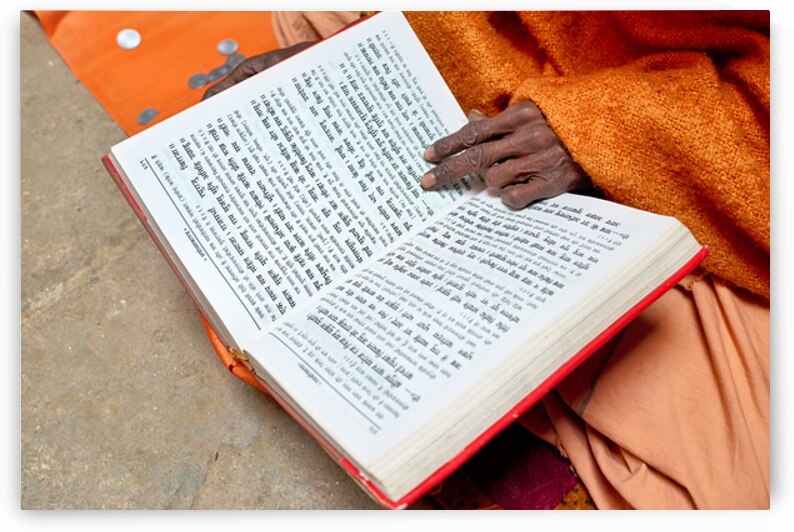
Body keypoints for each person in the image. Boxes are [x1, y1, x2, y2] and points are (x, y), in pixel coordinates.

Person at [205, 11, 770, 509]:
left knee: (740, 478)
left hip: (720, 111)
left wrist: (609, 134)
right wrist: (364, 60)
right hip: (501, 46)